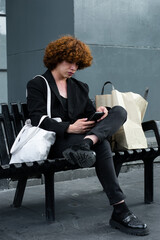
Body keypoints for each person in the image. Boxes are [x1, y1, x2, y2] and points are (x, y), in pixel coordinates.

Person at [27, 35, 149, 236]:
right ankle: (120, 211)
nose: (73, 67)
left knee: (119, 111)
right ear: (56, 58)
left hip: (81, 139)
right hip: (56, 141)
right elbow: (37, 118)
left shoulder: (79, 87)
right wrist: (69, 128)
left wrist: (100, 112)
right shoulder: (38, 84)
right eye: (69, 61)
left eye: (77, 63)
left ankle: (86, 143)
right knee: (101, 145)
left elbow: (87, 113)